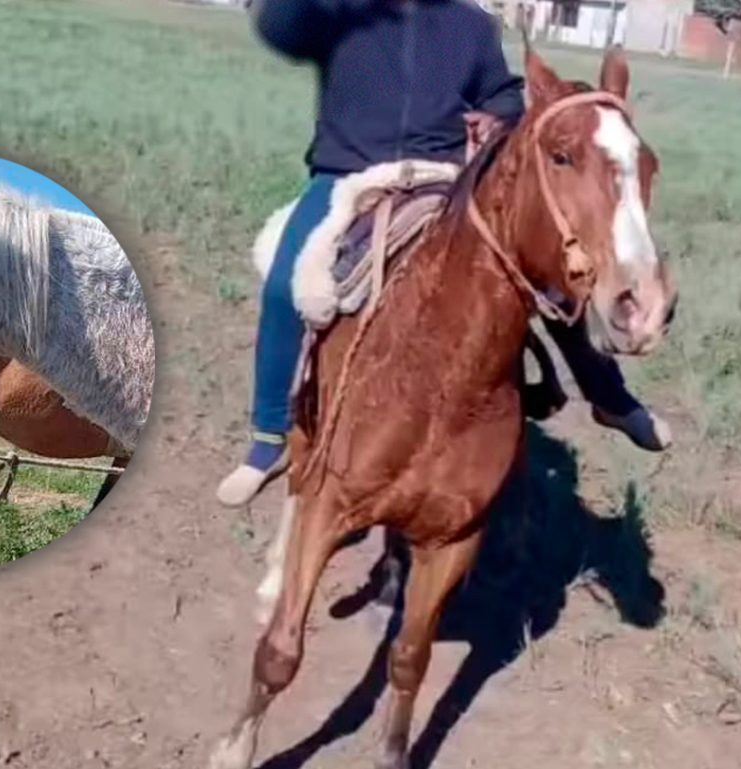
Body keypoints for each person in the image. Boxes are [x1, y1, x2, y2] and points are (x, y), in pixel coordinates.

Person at [217, 0, 671, 507]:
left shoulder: (472, 25)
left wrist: (494, 118)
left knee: (545, 276)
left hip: (441, 177)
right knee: (285, 285)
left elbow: (503, 97)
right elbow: (282, 28)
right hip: (346, 176)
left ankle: (608, 396)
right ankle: (269, 437)